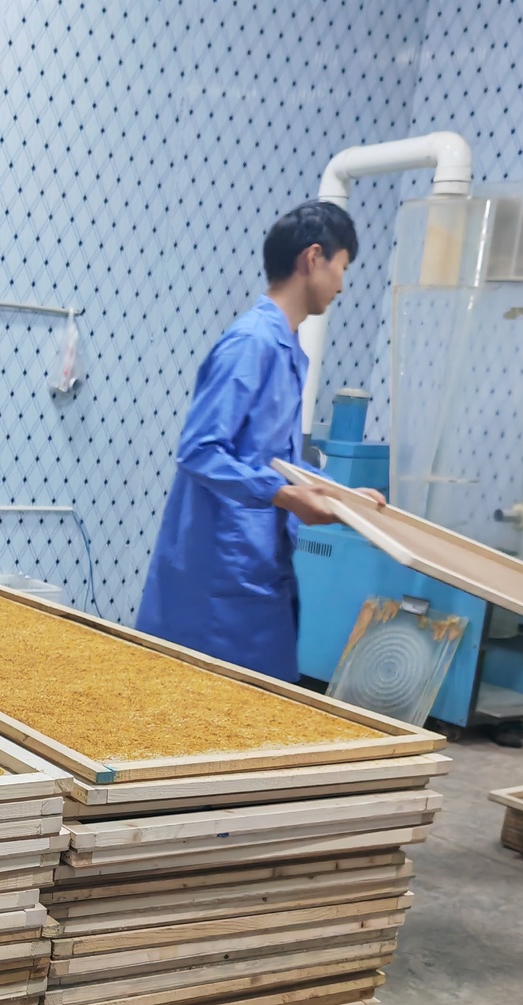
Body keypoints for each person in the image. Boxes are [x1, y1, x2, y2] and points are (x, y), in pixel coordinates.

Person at [137, 200, 385, 682]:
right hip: (219, 574)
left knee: (263, 701)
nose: (341, 285)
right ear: (313, 258)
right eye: (342, 267)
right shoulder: (252, 342)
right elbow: (199, 450)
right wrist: (283, 495)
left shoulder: (287, 348)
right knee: (205, 704)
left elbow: (276, 461)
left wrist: (341, 497)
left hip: (257, 567)